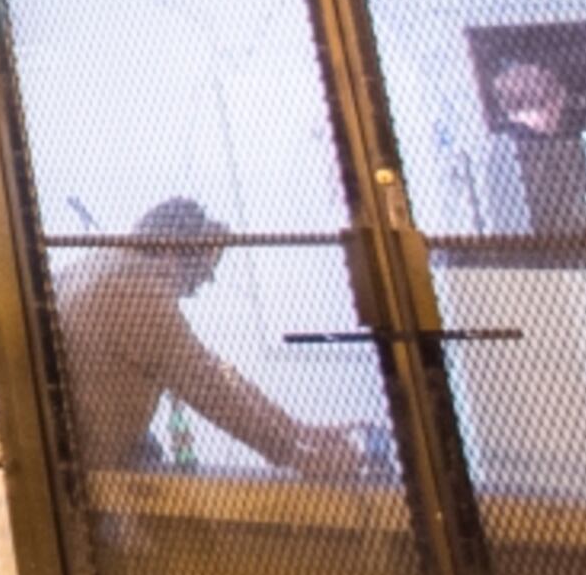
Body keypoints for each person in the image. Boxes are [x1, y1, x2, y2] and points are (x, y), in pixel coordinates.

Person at [64, 199, 366, 475]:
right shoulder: (137, 295)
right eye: (202, 270)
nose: (203, 283)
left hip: (98, 448)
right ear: (170, 252)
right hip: (95, 466)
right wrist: (300, 459)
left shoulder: (97, 263)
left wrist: (297, 431)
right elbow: (210, 389)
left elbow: (215, 370)